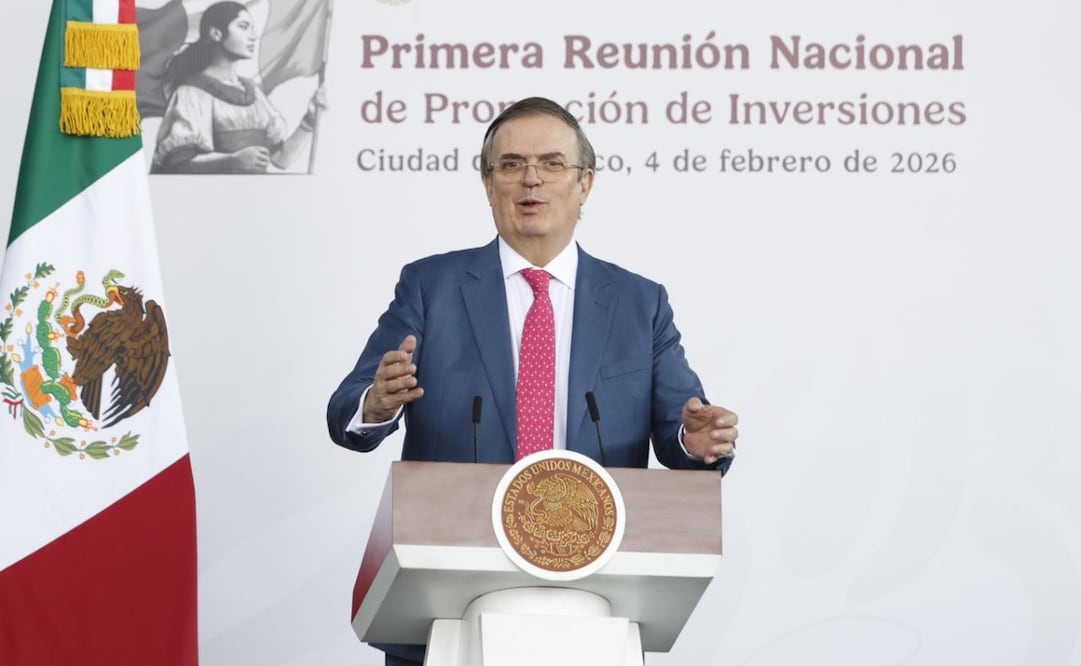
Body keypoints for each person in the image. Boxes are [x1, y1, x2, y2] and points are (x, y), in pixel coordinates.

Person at [326, 96, 738, 666]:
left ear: (585, 183)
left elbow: (683, 429)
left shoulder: (640, 304)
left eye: (551, 163)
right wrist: (376, 401)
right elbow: (348, 409)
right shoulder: (432, 286)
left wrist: (697, 443)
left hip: (596, 594)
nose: (531, 180)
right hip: (447, 596)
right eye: (511, 163)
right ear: (488, 182)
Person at [151, 1, 327, 174]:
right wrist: (233, 160)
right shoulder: (192, 92)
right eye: (243, 27)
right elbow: (178, 164)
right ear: (216, 34)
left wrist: (309, 120)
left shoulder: (254, 94)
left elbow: (281, 159)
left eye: (252, 28)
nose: (253, 36)